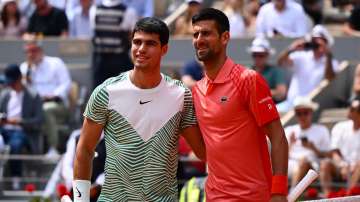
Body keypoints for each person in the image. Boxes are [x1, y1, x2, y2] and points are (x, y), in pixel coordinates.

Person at [73, 17, 206, 201]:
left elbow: (202, 151)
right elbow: (85, 149)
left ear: (164, 49)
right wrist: (80, 200)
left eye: (150, 43)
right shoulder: (106, 92)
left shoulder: (181, 95)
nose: (141, 49)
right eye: (137, 42)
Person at [191, 8, 288, 201]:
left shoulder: (248, 80)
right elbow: (205, 150)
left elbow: (278, 137)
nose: (199, 39)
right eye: (196, 34)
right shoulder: (196, 90)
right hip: (214, 196)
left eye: (206, 33)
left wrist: (278, 191)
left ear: (225, 37)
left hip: (252, 197)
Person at [20, 39, 72, 157]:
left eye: (33, 51)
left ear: (40, 51)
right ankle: (29, 150)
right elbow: (24, 91)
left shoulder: (55, 63)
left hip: (57, 104)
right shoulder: (25, 68)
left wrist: (53, 95)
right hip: (34, 106)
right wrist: (27, 75)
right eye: (27, 52)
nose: (30, 54)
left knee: (46, 109)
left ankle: (53, 148)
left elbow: (66, 83)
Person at [277, 25, 340, 113]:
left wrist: (327, 54)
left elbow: (330, 77)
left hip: (310, 108)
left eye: (320, 40)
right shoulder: (301, 56)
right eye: (314, 40)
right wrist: (291, 49)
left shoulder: (332, 62)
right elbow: (280, 63)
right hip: (291, 104)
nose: (316, 44)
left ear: (326, 43)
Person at [0, 64, 43, 188]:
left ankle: (16, 177)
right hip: (4, 130)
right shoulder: (5, 95)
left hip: (23, 132)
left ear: (20, 79)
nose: (10, 85)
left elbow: (39, 120)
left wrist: (19, 121)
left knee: (16, 145)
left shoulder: (34, 95)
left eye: (12, 82)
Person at [285, 97, 330, 189]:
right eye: (299, 113)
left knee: (303, 162)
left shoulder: (321, 130)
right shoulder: (289, 130)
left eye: (305, 113)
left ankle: (292, 194)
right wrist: (291, 144)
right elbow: (282, 156)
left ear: (311, 113)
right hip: (291, 164)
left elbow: (327, 155)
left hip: (313, 164)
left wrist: (313, 148)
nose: (302, 117)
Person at [90, 0, 138, 88]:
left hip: (101, 62)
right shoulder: (129, 11)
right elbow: (132, 38)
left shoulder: (95, 9)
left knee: (100, 96)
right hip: (118, 61)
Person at [320, 96, 360, 197]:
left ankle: (348, 196)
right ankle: (328, 197)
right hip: (341, 167)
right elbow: (334, 153)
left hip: (357, 168)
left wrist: (355, 166)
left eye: (353, 109)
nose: (349, 110)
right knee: (325, 164)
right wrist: (342, 165)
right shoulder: (340, 127)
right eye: (350, 107)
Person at [62, 129, 105, 202]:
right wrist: (78, 186)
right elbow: (66, 166)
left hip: (102, 193)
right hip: (78, 192)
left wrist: (98, 185)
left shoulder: (111, 139)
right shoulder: (76, 137)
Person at [249, 36, 287, 102]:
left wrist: (258, 93)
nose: (257, 58)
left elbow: (281, 92)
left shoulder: (276, 71)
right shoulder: (247, 71)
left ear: (267, 55)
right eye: (255, 55)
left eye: (261, 55)